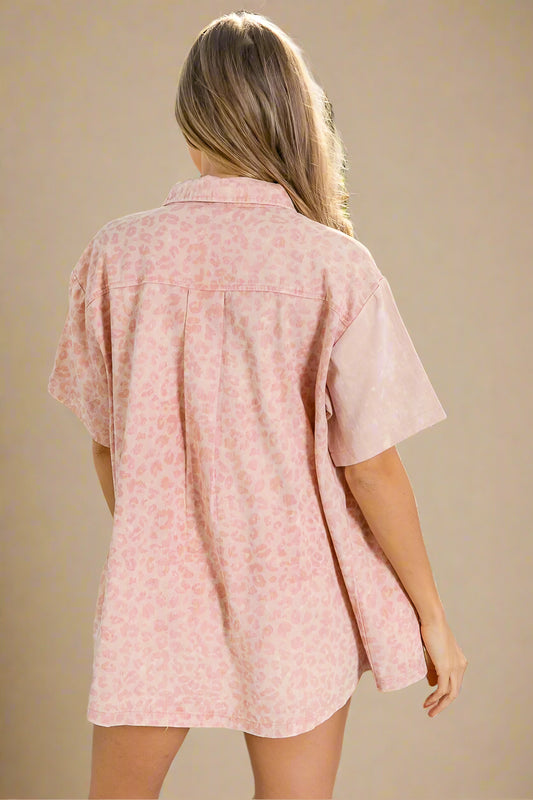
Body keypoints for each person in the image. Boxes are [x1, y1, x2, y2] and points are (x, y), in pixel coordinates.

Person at [47, 10, 467, 800]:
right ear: (292, 121)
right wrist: (431, 615)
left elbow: (108, 442)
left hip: (156, 587)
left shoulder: (117, 253)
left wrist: (170, 541)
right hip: (295, 590)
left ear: (191, 123)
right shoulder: (335, 267)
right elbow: (370, 466)